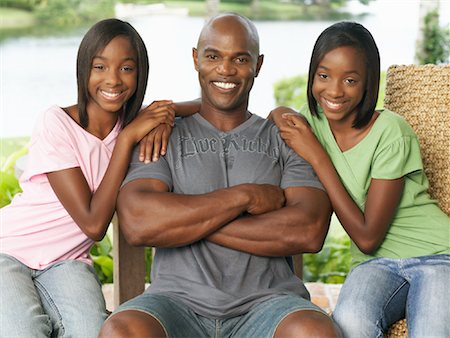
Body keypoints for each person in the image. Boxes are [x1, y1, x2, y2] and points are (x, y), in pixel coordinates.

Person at [99, 12, 341, 338]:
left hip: (270, 304)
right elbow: (139, 222)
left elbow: (308, 230)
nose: (226, 70)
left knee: (314, 331)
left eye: (240, 59)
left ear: (258, 65)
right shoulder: (161, 135)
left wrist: (184, 220)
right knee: (122, 330)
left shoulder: (285, 137)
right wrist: (245, 197)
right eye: (213, 56)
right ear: (196, 59)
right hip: (175, 304)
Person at [0, 18, 198, 337]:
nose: (113, 80)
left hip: (68, 261)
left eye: (126, 68)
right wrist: (126, 141)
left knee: (92, 332)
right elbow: (93, 223)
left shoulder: (131, 124)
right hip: (8, 248)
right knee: (23, 332)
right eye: (100, 66)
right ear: (84, 70)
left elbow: (203, 106)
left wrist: (165, 116)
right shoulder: (57, 123)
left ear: (139, 73)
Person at [269, 21, 450, 337]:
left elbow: (368, 236)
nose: (334, 91)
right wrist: (181, 108)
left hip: (437, 256)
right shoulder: (313, 121)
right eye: (323, 76)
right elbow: (275, 115)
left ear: (369, 84)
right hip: (375, 265)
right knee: (350, 323)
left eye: (350, 80)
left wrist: (318, 157)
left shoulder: (391, 132)